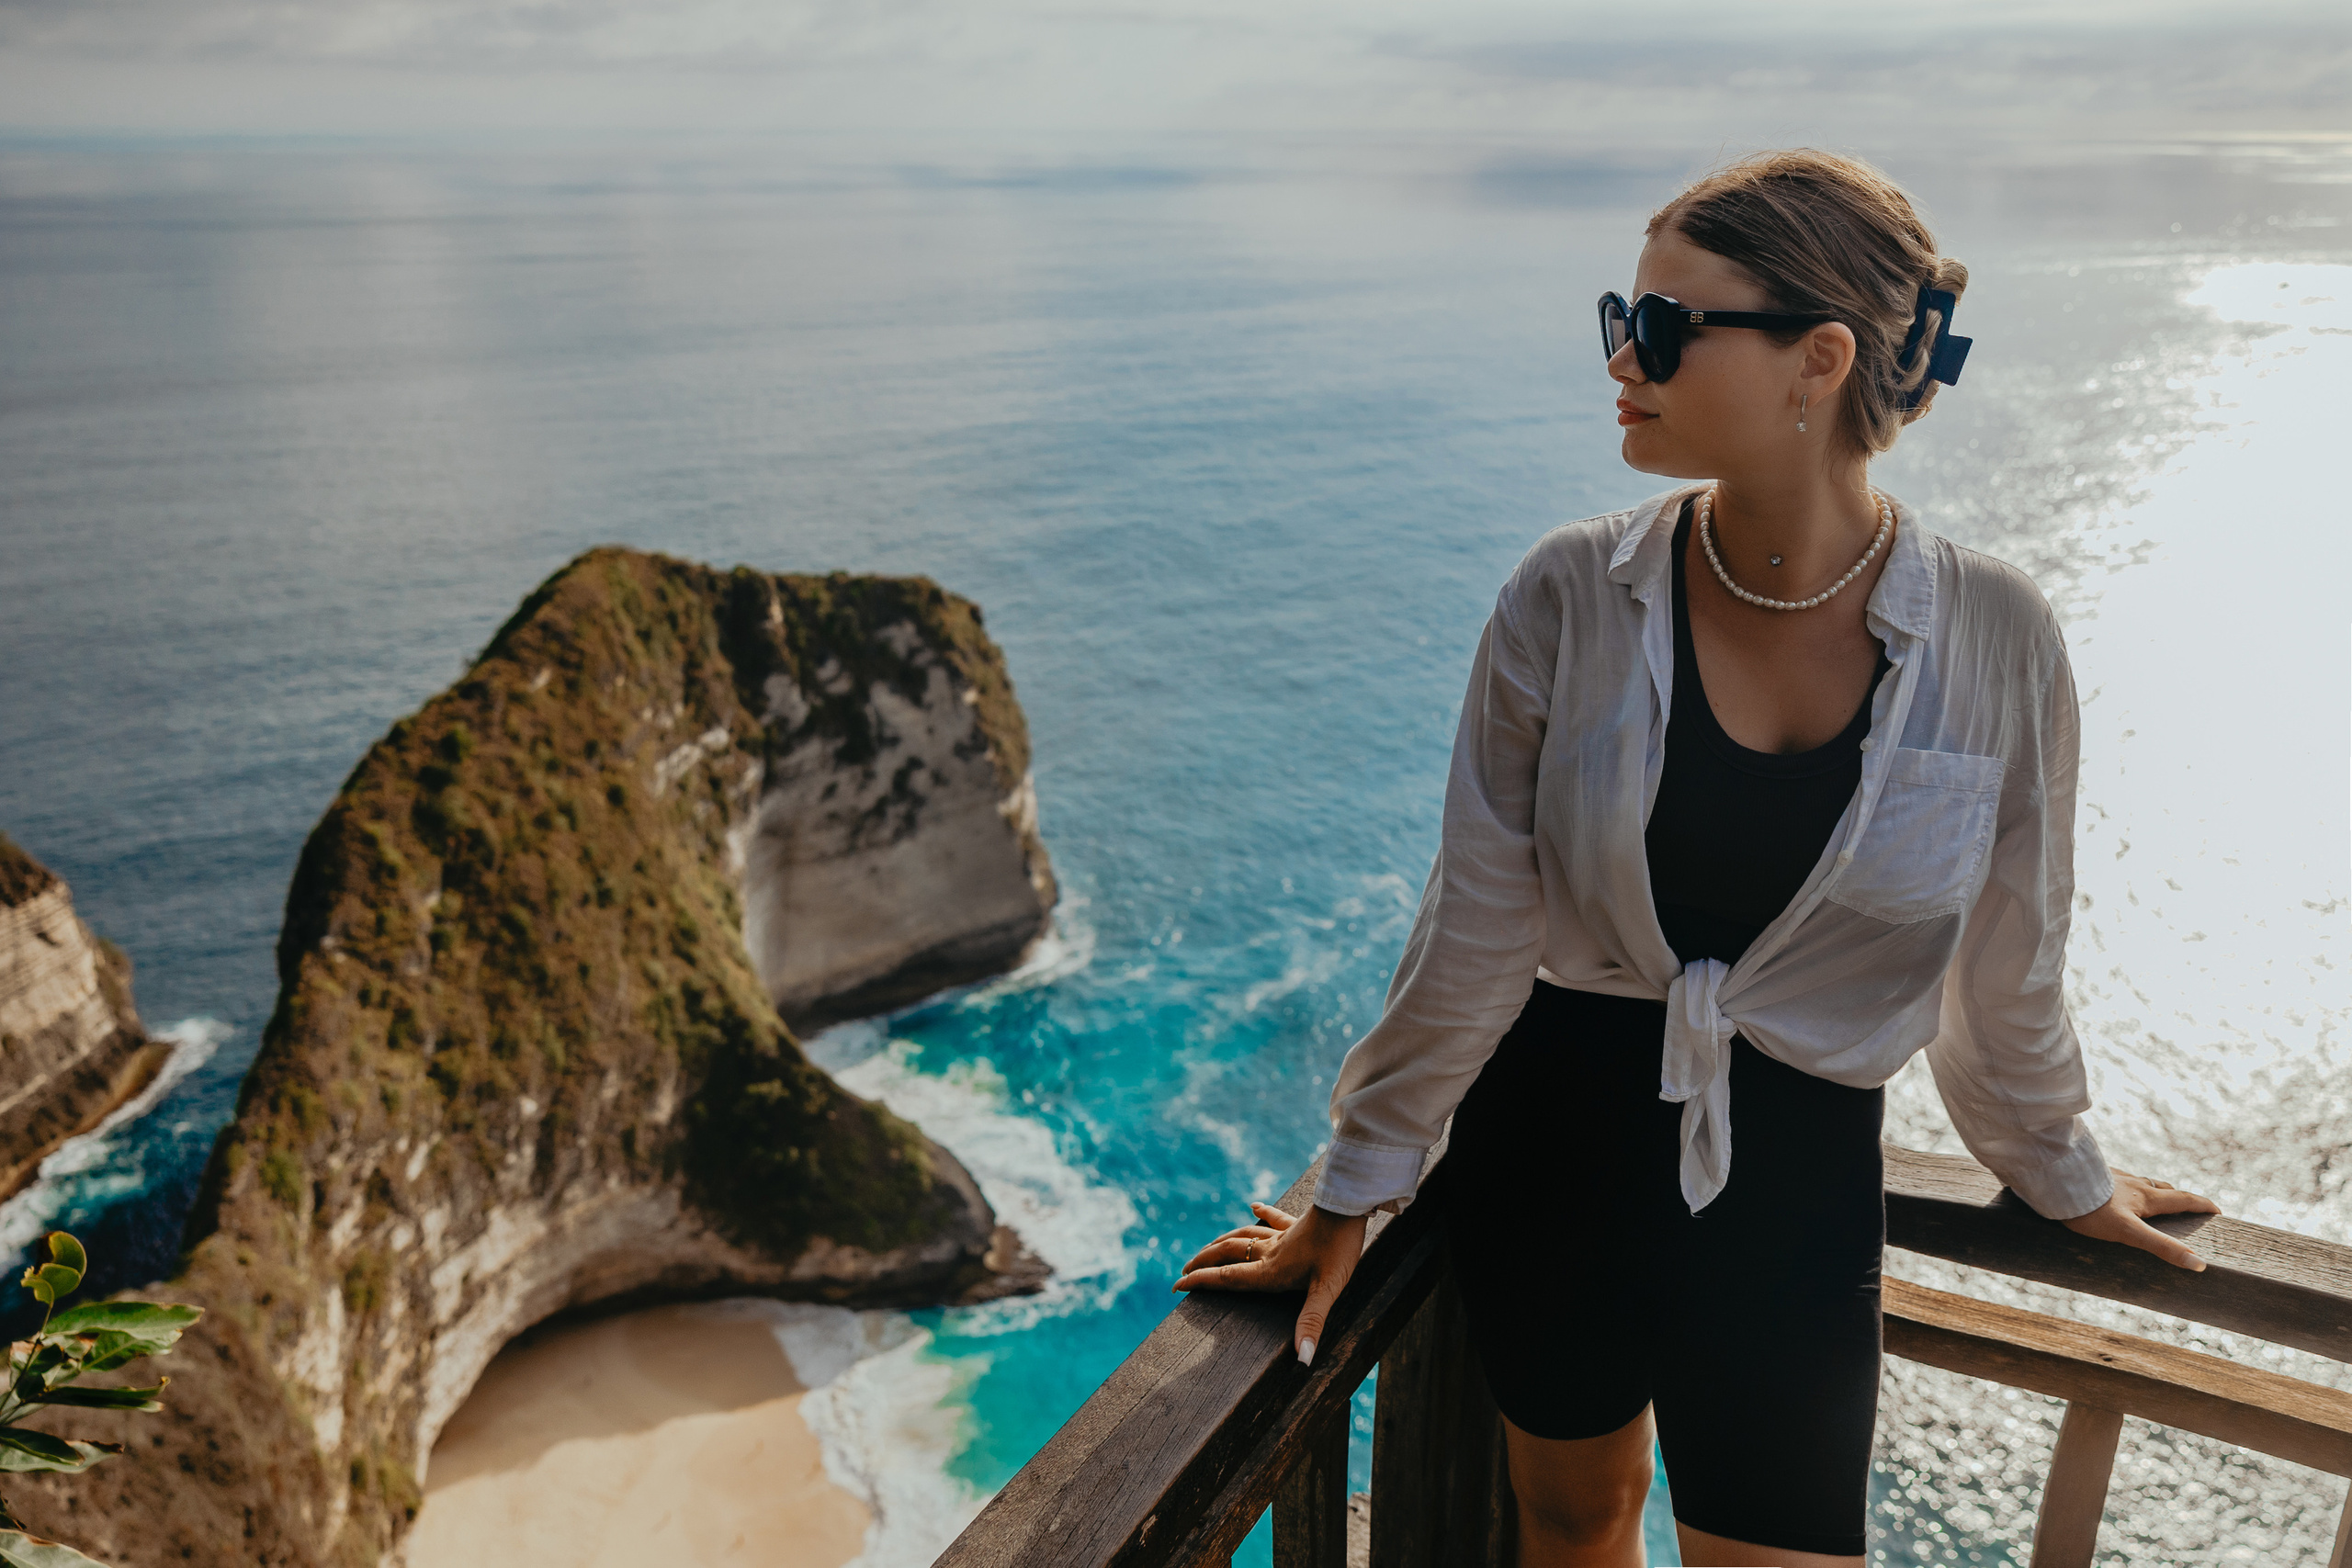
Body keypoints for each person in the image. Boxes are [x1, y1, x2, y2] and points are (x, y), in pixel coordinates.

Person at [1171, 150, 2222, 1568]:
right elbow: (1475, 927)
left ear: (1820, 360)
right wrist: (1357, 1179)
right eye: (1623, 311)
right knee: (1573, 1528)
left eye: (1663, 326)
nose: (1621, 353)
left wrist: (2057, 1163)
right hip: (1551, 1149)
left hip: (1795, 1190)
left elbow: (2011, 953)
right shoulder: (1566, 595)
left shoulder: (1996, 637)